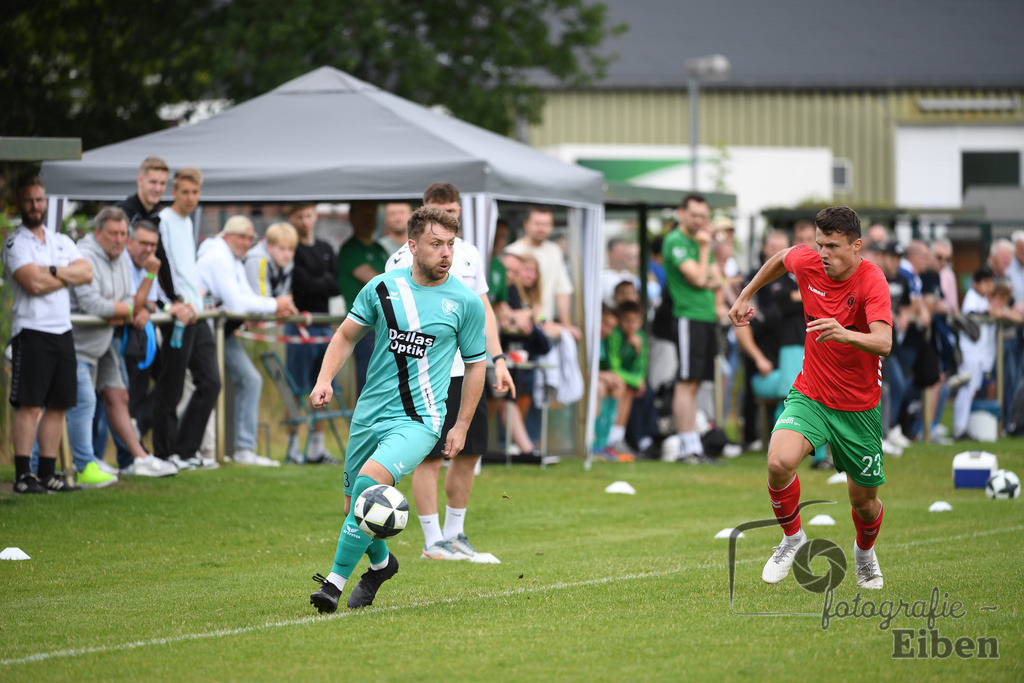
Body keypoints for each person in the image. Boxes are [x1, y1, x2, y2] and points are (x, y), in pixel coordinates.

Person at [308, 206, 487, 611]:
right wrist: (324, 380)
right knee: (356, 504)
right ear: (412, 246)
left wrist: (460, 425)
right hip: (369, 415)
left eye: (450, 245)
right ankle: (382, 564)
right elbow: (345, 336)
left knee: (370, 487)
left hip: (420, 419)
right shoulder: (382, 287)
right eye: (435, 244)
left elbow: (476, 365)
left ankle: (333, 585)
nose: (446, 253)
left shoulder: (463, 301)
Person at [729, 205, 892, 590]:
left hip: (858, 407)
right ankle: (791, 538)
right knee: (778, 462)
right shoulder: (809, 261)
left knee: (864, 503)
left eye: (833, 246)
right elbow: (782, 259)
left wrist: (845, 332)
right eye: (820, 244)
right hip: (812, 393)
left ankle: (865, 554)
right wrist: (745, 294)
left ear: (856, 246)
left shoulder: (872, 280)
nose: (823, 254)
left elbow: (884, 341)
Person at [385, 182, 514, 561]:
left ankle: (456, 534)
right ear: (423, 213)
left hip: (469, 371)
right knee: (429, 456)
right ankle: (432, 541)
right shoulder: (398, 261)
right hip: (427, 374)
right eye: (441, 210)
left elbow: (484, 309)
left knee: (470, 450)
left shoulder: (469, 254)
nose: (449, 218)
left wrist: (499, 359)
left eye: (454, 211)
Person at [56, 207, 178, 485]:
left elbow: (130, 301)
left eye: (123, 233)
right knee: (80, 403)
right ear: (98, 233)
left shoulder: (121, 257)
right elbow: (93, 305)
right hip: (78, 343)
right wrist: (125, 310)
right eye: (113, 233)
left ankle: (138, 458)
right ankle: (81, 465)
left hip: (106, 339)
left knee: (118, 396)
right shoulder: (85, 256)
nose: (119, 239)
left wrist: (131, 303)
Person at [4, 176, 93, 493]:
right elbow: (33, 283)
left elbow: (86, 273)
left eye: (39, 200)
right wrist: (63, 275)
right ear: (20, 204)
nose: (35, 206)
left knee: (59, 405)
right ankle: (24, 475)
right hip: (32, 331)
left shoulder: (61, 240)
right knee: (30, 405)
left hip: (62, 332)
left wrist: (52, 271)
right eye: (29, 200)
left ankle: (47, 473)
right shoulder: (17, 244)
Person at [196, 215, 299, 466]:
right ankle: (198, 452)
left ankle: (242, 450)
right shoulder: (220, 257)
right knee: (204, 387)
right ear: (227, 235)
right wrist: (276, 304)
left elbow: (245, 298)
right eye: (241, 237)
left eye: (250, 238)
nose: (246, 242)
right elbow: (238, 302)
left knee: (248, 380)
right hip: (201, 331)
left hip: (222, 332)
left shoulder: (234, 258)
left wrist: (274, 306)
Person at [153, 167, 222, 471]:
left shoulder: (186, 222)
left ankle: (185, 450)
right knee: (172, 387)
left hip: (198, 313)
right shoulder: (163, 221)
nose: (191, 198)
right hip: (179, 315)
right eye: (185, 192)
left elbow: (184, 266)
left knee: (211, 382)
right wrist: (176, 302)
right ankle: (165, 454)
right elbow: (163, 266)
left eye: (195, 192)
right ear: (174, 192)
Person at [663, 193, 719, 464]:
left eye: (703, 216)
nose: (699, 221)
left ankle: (694, 445)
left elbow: (716, 279)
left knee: (695, 382)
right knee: (685, 382)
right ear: (681, 213)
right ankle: (687, 448)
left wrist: (707, 268)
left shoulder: (698, 241)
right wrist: (706, 248)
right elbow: (699, 278)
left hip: (706, 317)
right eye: (694, 215)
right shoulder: (675, 241)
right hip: (687, 317)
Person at [287, 203, 340, 464]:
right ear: (291, 219)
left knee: (323, 386)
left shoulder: (326, 248)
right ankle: (292, 448)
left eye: (308, 215)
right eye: (299, 216)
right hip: (299, 327)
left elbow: (335, 284)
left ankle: (316, 450)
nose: (305, 221)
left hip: (324, 327)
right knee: (296, 388)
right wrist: (320, 284)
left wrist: (317, 284)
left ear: (315, 216)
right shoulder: (292, 250)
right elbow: (302, 286)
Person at [505, 206, 580, 339]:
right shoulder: (512, 253)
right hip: (519, 328)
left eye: (546, 224)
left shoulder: (554, 251)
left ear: (551, 226)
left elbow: (562, 291)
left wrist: (566, 326)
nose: (541, 228)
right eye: (537, 224)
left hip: (546, 326)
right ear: (526, 224)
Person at [337, 200, 388, 396]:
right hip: (364, 326)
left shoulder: (379, 248)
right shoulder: (350, 250)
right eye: (364, 216)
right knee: (370, 383)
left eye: (372, 216)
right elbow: (378, 282)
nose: (369, 221)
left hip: (385, 324)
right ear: (352, 218)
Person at [122, 219, 163, 442]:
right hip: (123, 340)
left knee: (167, 382)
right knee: (122, 397)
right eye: (143, 243)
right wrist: (149, 275)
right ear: (130, 242)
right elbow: (134, 305)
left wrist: (145, 307)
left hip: (143, 341)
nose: (148, 250)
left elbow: (150, 303)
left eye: (153, 245)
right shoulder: (126, 264)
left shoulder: (149, 264)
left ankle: (136, 435)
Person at [245, 221, 298, 299]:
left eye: (291, 249)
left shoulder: (287, 263)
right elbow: (262, 300)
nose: (287, 255)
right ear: (270, 247)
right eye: (282, 248)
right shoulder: (257, 261)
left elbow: (284, 296)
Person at [117, 157, 168, 228]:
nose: (157, 189)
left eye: (162, 183)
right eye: (153, 182)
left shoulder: (156, 216)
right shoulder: (122, 213)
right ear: (140, 180)